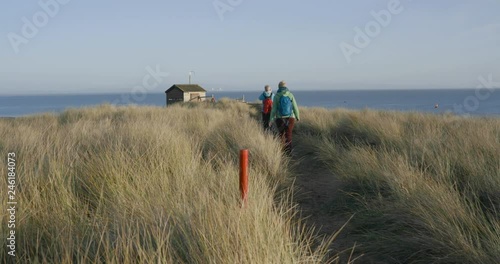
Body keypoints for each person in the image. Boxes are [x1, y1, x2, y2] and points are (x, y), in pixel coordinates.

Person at [269, 81, 300, 154]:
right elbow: (295, 107)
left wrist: (271, 119)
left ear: (279, 87)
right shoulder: (290, 95)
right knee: (288, 134)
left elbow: (274, 109)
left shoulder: (277, 96)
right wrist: (297, 116)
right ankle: (289, 151)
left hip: (280, 118)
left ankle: (281, 151)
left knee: (281, 134)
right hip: (290, 118)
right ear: (286, 86)